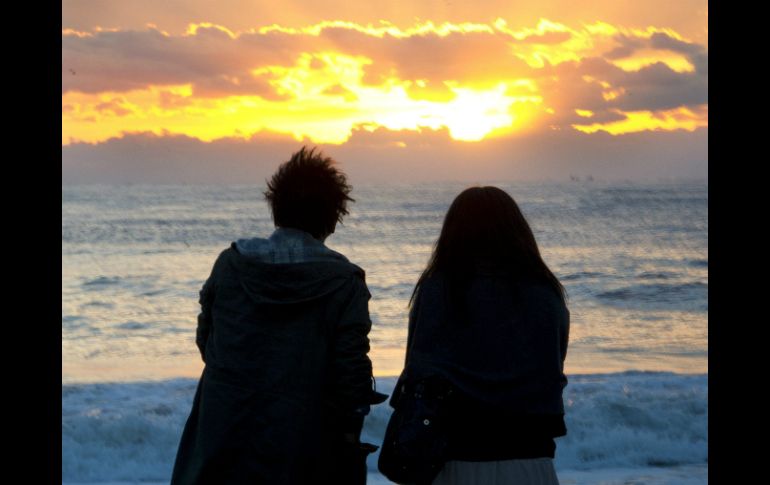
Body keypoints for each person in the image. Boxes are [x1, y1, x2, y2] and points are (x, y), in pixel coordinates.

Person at [171, 146, 387, 485]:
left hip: (222, 431)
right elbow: (351, 376)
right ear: (333, 216)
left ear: (277, 208)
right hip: (302, 443)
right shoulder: (344, 282)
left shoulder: (231, 264)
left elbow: (207, 343)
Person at [391, 186, 570, 484]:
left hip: (452, 461)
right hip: (531, 461)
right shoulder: (546, 293)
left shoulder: (437, 289)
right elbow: (553, 366)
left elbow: (417, 371)